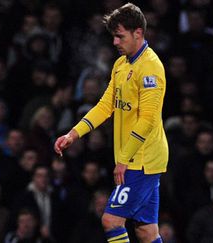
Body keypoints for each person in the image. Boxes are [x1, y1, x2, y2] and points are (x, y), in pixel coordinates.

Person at [54, 3, 168, 243]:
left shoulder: (150, 68)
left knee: (111, 220)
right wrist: (74, 134)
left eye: (120, 36)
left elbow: (147, 119)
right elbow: (106, 106)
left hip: (142, 160)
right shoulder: (121, 64)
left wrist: (124, 160)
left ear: (138, 33)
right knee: (147, 232)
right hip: (134, 159)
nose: (115, 42)